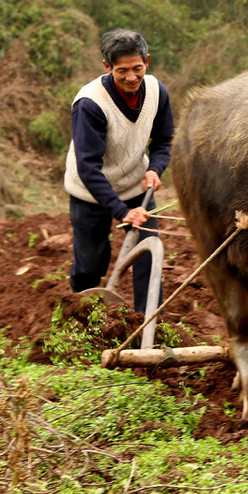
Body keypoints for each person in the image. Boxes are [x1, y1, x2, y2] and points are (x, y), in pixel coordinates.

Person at [64, 29, 174, 313]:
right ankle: (82, 317)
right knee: (91, 264)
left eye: (137, 68)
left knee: (149, 255)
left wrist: (156, 169)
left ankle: (148, 324)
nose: (131, 77)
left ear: (147, 61)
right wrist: (122, 212)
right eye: (122, 70)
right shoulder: (90, 103)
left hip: (137, 188)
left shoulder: (156, 91)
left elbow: (165, 141)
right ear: (107, 67)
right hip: (89, 193)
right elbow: (87, 168)